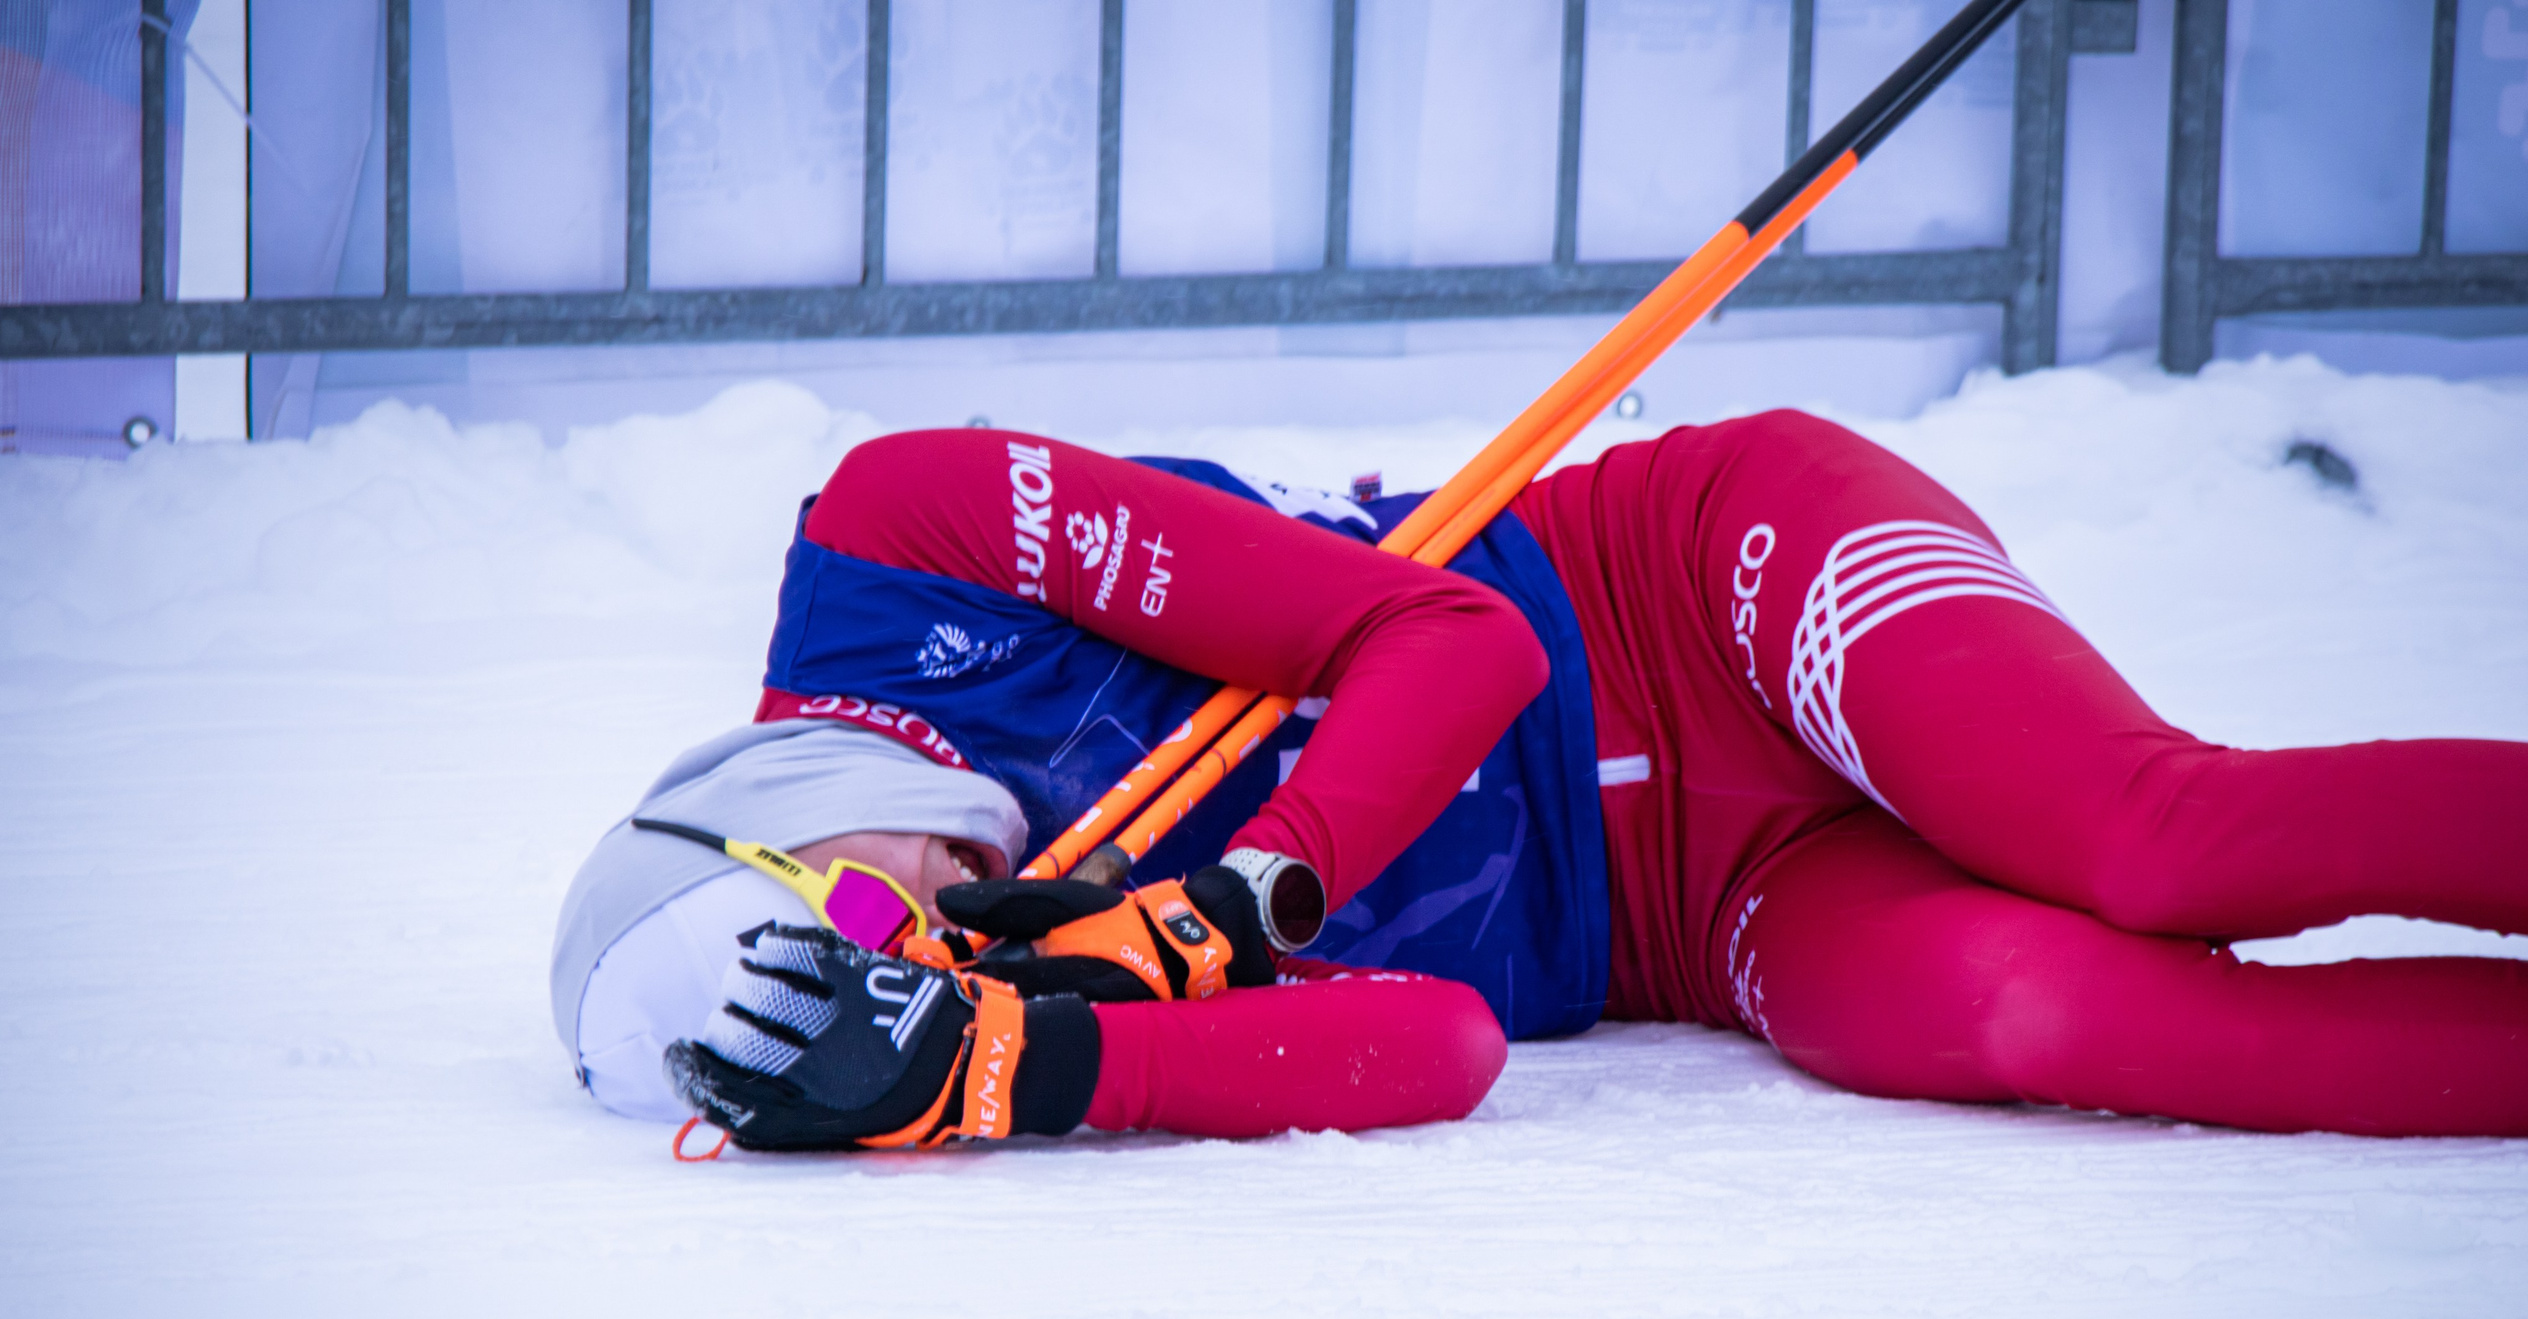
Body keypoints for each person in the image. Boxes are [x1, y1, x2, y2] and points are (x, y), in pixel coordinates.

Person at [551, 413, 2528, 1146]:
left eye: (861, 914)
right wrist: (1024, 1066)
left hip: (1699, 591)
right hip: (1696, 913)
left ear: (757, 809)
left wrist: (1235, 899)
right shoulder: (995, 978)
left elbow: (1458, 642)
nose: (927, 935)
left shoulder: (898, 542)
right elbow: (1439, 1044)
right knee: (2049, 1014)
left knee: (2149, 838)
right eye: (894, 980)